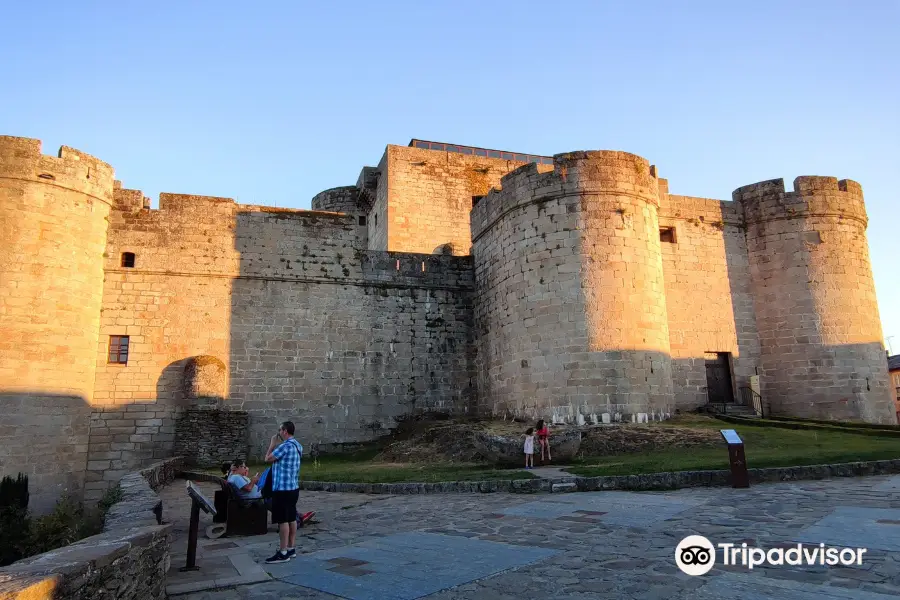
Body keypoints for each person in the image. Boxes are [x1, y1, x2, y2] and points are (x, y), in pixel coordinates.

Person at [263, 421, 302, 563]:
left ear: (285, 431)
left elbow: (267, 459)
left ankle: (283, 551)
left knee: (282, 520)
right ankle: (291, 548)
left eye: (280, 430)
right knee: (291, 518)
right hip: (293, 487)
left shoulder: (284, 447)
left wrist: (272, 443)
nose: (278, 432)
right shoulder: (298, 445)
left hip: (282, 489)